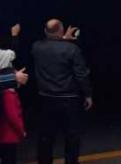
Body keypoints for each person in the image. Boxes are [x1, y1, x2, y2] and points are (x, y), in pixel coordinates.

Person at [31, 19, 92, 164]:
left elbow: (51, 45)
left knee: (46, 136)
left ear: (45, 31)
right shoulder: (72, 49)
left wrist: (62, 39)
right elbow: (81, 75)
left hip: (45, 98)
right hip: (69, 98)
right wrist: (88, 94)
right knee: (71, 136)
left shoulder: (36, 47)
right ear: (61, 30)